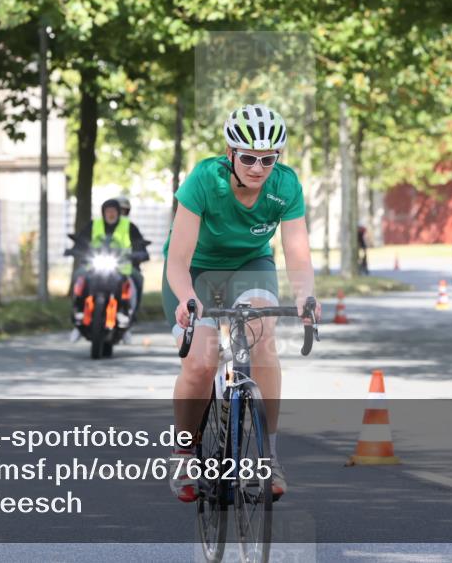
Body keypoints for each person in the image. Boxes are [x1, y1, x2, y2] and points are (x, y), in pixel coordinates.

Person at [163, 103, 320, 503]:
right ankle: (184, 452)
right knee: (200, 362)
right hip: (196, 270)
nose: (258, 167)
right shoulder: (204, 180)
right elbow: (177, 261)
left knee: (262, 337)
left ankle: (267, 455)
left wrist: (305, 297)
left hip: (250, 264)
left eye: (268, 159)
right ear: (230, 153)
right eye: (248, 158)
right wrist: (188, 300)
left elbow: (297, 254)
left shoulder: (284, 186)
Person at [70, 198, 148, 342]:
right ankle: (78, 315)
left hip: (121, 267)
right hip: (94, 265)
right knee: (78, 276)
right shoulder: (94, 224)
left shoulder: (129, 226)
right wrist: (75, 250)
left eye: (114, 211)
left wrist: (140, 253)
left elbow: (139, 243)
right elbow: (82, 240)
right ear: (103, 212)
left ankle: (128, 320)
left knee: (138, 279)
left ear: (118, 213)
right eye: (108, 211)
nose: (111, 214)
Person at [116, 196, 147, 320]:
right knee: (81, 276)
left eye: (125, 210)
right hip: (102, 265)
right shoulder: (101, 226)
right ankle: (79, 312)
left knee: (138, 278)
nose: (122, 213)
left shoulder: (131, 228)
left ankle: (133, 312)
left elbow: (140, 246)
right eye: (119, 210)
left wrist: (139, 254)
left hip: (127, 266)